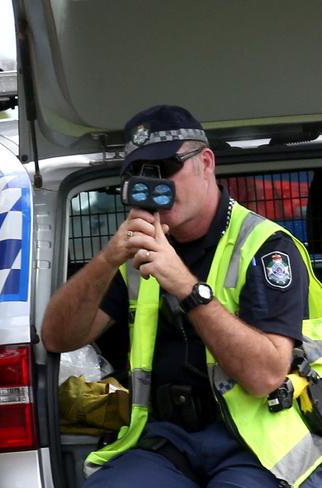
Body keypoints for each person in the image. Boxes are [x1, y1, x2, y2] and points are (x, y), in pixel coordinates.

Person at [42, 105, 322, 487]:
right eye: (141, 173)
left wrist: (187, 289)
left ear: (206, 162)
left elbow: (265, 376)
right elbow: (58, 337)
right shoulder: (135, 254)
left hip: (257, 442)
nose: (157, 185)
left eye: (166, 167)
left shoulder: (265, 248)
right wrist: (107, 258)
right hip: (168, 438)